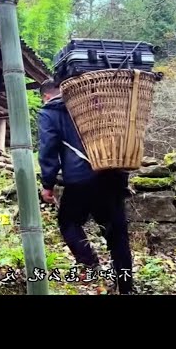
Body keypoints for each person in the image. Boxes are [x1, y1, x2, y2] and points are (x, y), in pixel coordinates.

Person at [37, 78, 134, 295]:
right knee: (117, 233)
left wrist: (48, 185)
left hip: (81, 179)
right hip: (113, 175)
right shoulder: (95, 103)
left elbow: (48, 150)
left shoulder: (49, 112)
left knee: (68, 221)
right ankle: (126, 288)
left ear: (46, 96)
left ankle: (91, 264)